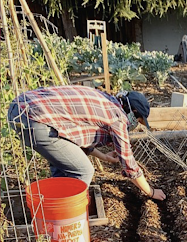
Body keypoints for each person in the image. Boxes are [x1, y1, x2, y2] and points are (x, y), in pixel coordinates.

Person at [8, 85, 166, 200]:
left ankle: (54, 205)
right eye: (138, 120)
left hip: (20, 108)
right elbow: (129, 164)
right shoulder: (118, 118)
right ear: (133, 112)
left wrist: (104, 157)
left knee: (63, 169)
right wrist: (151, 192)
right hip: (35, 119)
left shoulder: (105, 99)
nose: (135, 124)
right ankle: (67, 220)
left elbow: (72, 139)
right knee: (84, 171)